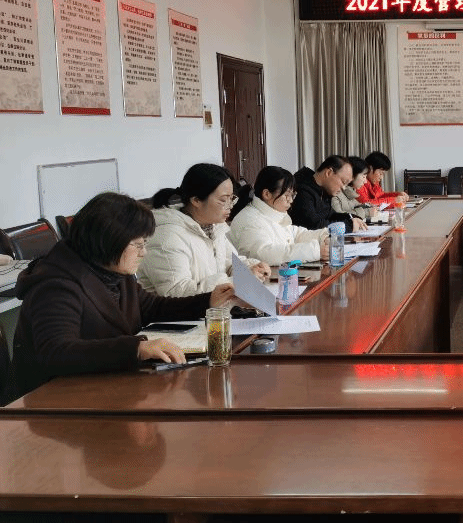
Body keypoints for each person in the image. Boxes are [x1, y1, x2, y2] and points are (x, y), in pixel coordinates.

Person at [2, 192, 235, 403]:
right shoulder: (56, 285)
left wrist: (208, 301)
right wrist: (136, 349)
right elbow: (57, 352)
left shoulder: (111, 270)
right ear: (109, 241)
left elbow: (152, 307)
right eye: (138, 245)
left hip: (102, 388)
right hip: (54, 403)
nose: (144, 252)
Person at [138, 163, 270, 297]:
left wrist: (251, 268)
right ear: (196, 200)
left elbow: (230, 264)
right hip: (184, 310)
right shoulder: (168, 237)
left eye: (232, 198)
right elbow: (176, 294)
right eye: (223, 200)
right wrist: (239, 281)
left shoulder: (214, 227)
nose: (230, 206)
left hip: (215, 307)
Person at [228, 165, 329, 266]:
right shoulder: (250, 220)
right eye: (287, 195)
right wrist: (316, 251)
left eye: (292, 195)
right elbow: (265, 255)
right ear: (267, 194)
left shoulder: (273, 213)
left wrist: (323, 236)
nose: (291, 200)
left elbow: (296, 235)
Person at [289, 155, 368, 233]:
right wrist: (348, 226)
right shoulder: (302, 190)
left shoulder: (323, 190)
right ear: (329, 172)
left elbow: (329, 216)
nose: (343, 188)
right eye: (343, 182)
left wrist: (351, 217)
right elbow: (313, 226)